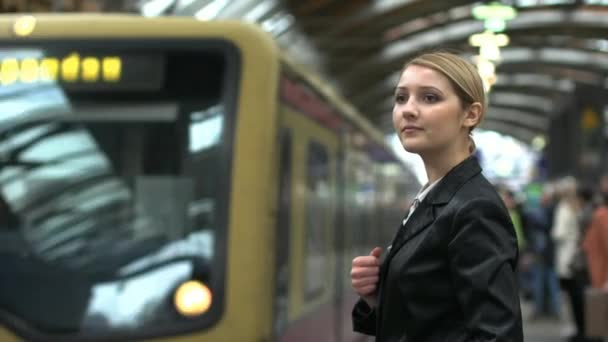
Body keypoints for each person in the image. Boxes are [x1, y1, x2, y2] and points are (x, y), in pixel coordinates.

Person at [350, 52, 523, 341]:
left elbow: (497, 334)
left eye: (429, 98)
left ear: (471, 114)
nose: (408, 109)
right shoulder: (436, 196)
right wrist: (377, 297)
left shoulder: (474, 208)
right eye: (401, 98)